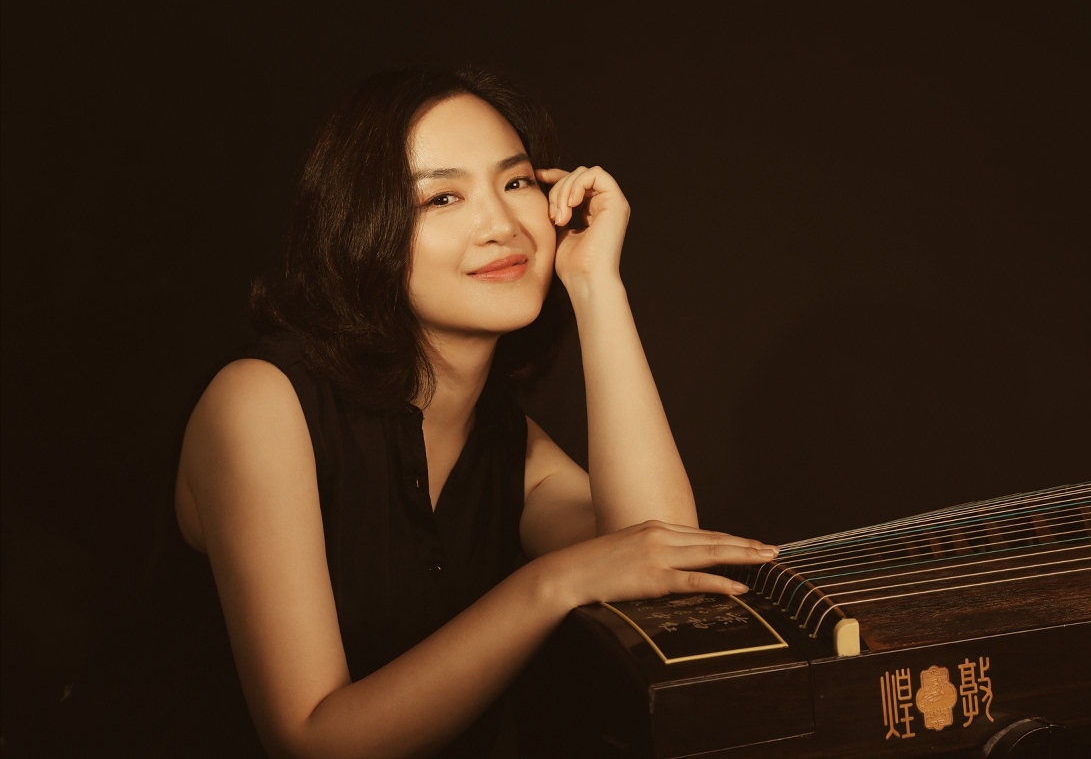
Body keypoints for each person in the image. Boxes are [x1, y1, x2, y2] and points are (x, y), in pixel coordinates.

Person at [154, 68, 777, 758]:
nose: (503, 226)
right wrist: (552, 582)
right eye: (442, 197)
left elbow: (658, 569)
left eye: (517, 183)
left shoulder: (511, 446)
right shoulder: (260, 403)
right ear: (363, 228)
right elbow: (312, 740)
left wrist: (595, 284)